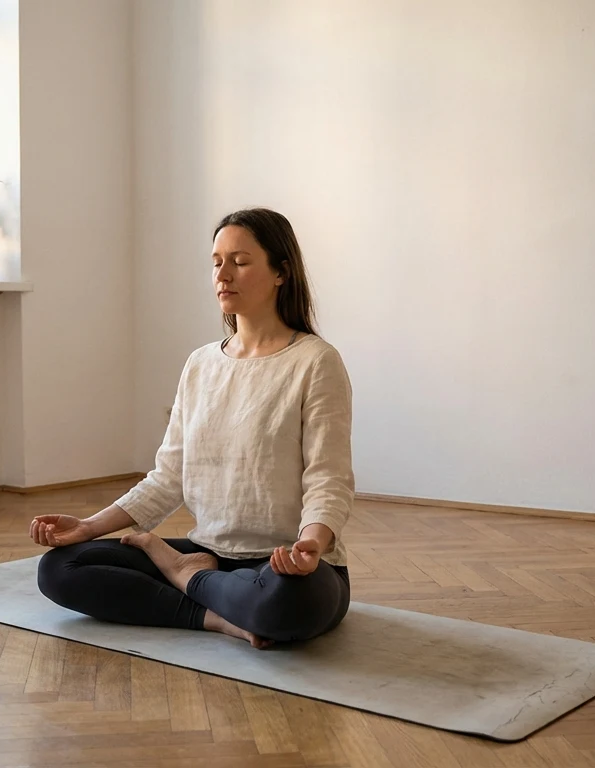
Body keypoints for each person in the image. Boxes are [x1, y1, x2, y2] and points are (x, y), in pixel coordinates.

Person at [30, 207, 354, 649]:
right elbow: (169, 477)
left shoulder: (316, 361)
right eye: (216, 262)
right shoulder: (201, 364)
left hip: (284, 564)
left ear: (281, 272)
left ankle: (189, 579)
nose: (224, 274)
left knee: (289, 605)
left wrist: (312, 545)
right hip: (211, 553)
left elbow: (328, 477)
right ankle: (216, 615)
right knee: (59, 569)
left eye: (239, 262)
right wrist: (89, 527)